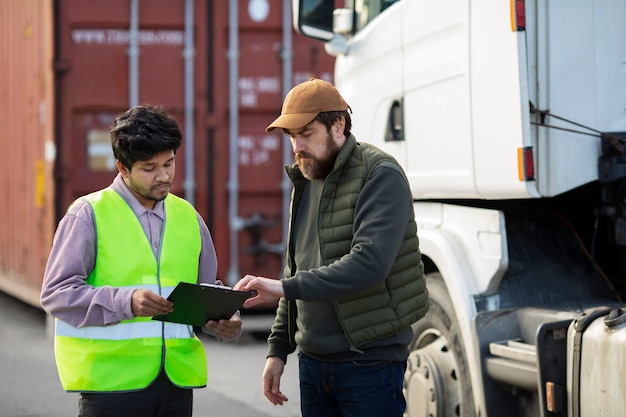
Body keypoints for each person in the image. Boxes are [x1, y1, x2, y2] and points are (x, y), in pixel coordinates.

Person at [234, 78, 429, 417]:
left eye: (306, 133)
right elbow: (296, 268)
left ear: (338, 125)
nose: (297, 147)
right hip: (312, 364)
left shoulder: (379, 174)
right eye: (292, 137)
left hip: (368, 364)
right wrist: (278, 350)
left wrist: (281, 288)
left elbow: (369, 263)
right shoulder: (306, 177)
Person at [40, 105, 242, 417]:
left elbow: (205, 289)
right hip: (111, 386)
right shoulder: (88, 215)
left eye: (169, 163)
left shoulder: (188, 217)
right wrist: (127, 301)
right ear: (122, 167)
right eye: (149, 168)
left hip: (176, 383)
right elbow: (56, 294)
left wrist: (226, 322)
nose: (163, 176)